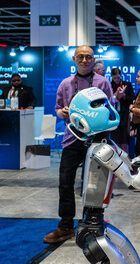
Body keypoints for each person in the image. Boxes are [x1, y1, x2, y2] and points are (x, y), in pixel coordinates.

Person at [43, 45, 114, 244]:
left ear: (93, 59)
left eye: (88, 57)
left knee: (93, 185)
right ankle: (65, 226)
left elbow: (111, 110)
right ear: (74, 59)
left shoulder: (102, 83)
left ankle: (91, 224)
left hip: (96, 140)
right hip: (71, 139)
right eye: (80, 57)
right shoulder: (66, 84)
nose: (84, 60)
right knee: (65, 181)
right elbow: (57, 108)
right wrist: (62, 112)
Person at [110, 68, 135, 152]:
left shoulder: (127, 85)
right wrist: (115, 95)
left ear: (120, 75)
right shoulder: (109, 85)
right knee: (115, 140)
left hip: (124, 115)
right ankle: (116, 160)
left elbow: (132, 99)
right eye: (114, 78)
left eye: (118, 77)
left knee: (125, 140)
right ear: (112, 77)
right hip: (114, 116)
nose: (116, 80)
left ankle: (125, 160)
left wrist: (124, 96)